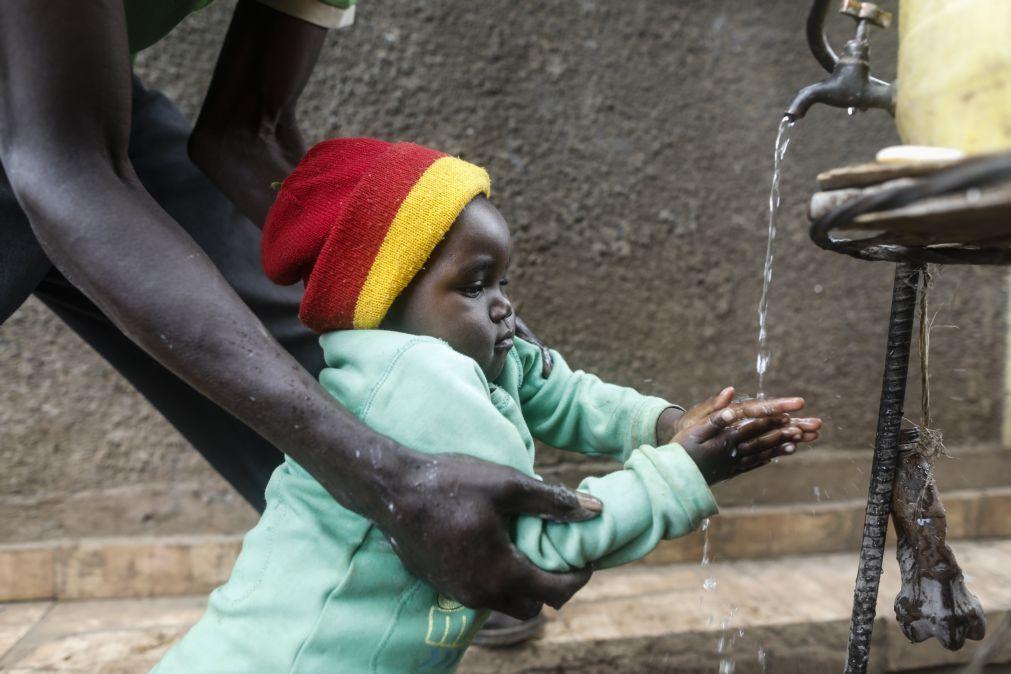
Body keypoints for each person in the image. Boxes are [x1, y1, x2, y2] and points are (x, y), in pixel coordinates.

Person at [0, 0, 619, 628]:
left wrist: (428, 297)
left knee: (361, 389)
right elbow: (69, 171)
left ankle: (389, 563)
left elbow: (244, 133)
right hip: (61, 139)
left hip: (77, 101)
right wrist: (387, 481)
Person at [151, 138, 822, 673]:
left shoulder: (444, 352)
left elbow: (556, 390)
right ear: (382, 297)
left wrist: (666, 423)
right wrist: (680, 471)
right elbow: (544, 545)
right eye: (475, 285)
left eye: (501, 280)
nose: (503, 305)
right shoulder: (419, 378)